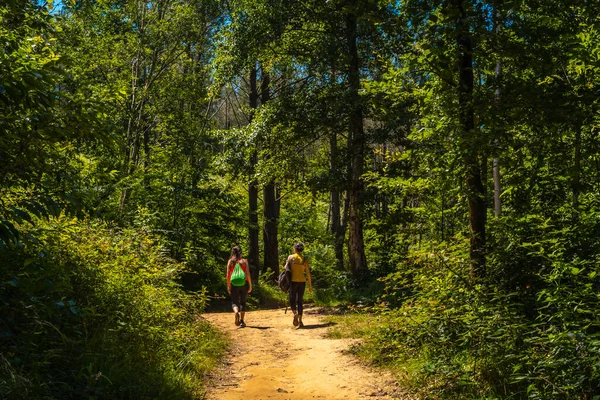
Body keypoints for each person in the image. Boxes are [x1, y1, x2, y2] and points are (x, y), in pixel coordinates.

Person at [286, 242, 312, 328]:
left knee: (292, 299)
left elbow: (286, 268)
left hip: (293, 281)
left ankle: (295, 313)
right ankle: (300, 321)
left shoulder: (291, 257)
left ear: (295, 249)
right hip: (302, 281)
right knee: (300, 301)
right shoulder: (304, 259)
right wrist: (310, 286)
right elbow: (308, 273)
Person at [226, 245, 252, 328]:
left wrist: (228, 285)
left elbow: (228, 275)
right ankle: (242, 321)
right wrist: (250, 285)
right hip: (244, 283)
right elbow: (247, 274)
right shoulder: (244, 261)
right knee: (243, 302)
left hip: (234, 284)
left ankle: (236, 312)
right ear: (240, 253)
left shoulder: (230, 262)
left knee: (234, 302)